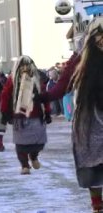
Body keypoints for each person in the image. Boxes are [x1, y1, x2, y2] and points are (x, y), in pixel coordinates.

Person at [67, 17, 103, 212]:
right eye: (99, 35)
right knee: (92, 162)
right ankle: (97, 203)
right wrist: (44, 97)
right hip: (90, 118)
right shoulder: (82, 62)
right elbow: (64, 83)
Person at [0, 55, 52, 175]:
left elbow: (45, 96)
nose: (25, 68)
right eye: (22, 65)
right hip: (19, 117)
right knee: (21, 143)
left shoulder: (37, 79)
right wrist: (4, 113)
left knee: (39, 142)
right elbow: (5, 96)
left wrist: (48, 112)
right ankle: (24, 165)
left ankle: (34, 156)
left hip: (36, 115)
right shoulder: (12, 80)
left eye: (27, 65)